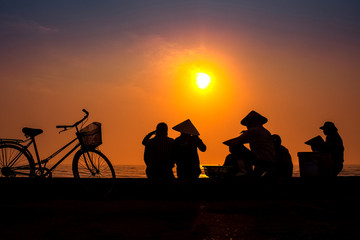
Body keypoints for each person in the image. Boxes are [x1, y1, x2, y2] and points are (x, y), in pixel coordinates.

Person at [226, 111, 276, 177]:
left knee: (237, 147)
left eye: (247, 124)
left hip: (261, 161)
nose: (247, 126)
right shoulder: (266, 131)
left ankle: (243, 171)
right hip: (270, 161)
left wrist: (226, 143)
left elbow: (236, 141)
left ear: (251, 122)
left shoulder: (253, 130)